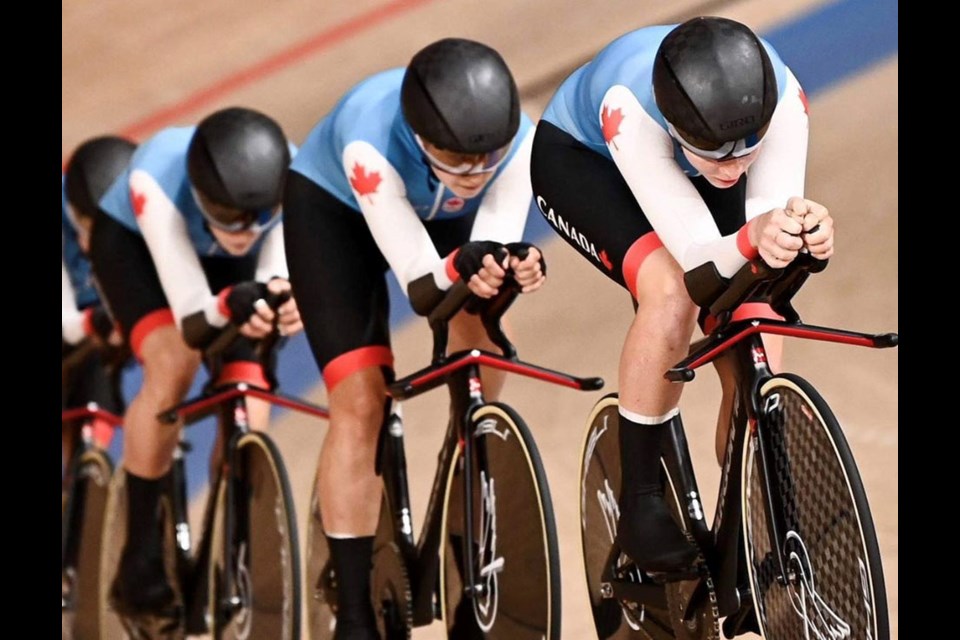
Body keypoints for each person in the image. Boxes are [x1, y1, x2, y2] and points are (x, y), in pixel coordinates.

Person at [530, 16, 834, 577]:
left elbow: (767, 233)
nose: (736, 167)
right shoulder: (633, 109)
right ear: (676, 125)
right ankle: (641, 506)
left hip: (686, 163)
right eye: (717, 155)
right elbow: (701, 268)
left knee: (755, 322)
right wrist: (750, 236)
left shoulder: (784, 99)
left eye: (747, 153)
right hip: (586, 162)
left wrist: (805, 234)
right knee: (671, 293)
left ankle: (752, 500)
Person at [283, 38, 546, 637]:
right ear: (422, 139)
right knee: (361, 400)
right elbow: (424, 288)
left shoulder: (521, 140)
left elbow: (490, 257)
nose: (475, 174)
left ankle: (467, 461)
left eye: (488, 160)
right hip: (336, 217)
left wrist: (510, 262)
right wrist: (465, 265)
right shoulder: (369, 144)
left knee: (478, 332)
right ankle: (352, 608)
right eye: (457, 158)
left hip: (438, 213)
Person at [88, 106, 303, 628]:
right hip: (138, 251)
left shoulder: (293, 177)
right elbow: (191, 315)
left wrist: (281, 296)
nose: (245, 228)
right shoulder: (155, 177)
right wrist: (237, 303)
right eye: (230, 216)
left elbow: (276, 273)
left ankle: (234, 530)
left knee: (250, 388)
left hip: (230, 267)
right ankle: (140, 550)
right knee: (173, 367)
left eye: (257, 216)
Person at [62, 135, 136, 473]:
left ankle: (90, 471)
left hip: (94, 336)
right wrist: (97, 322)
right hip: (73, 322)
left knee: (100, 361)